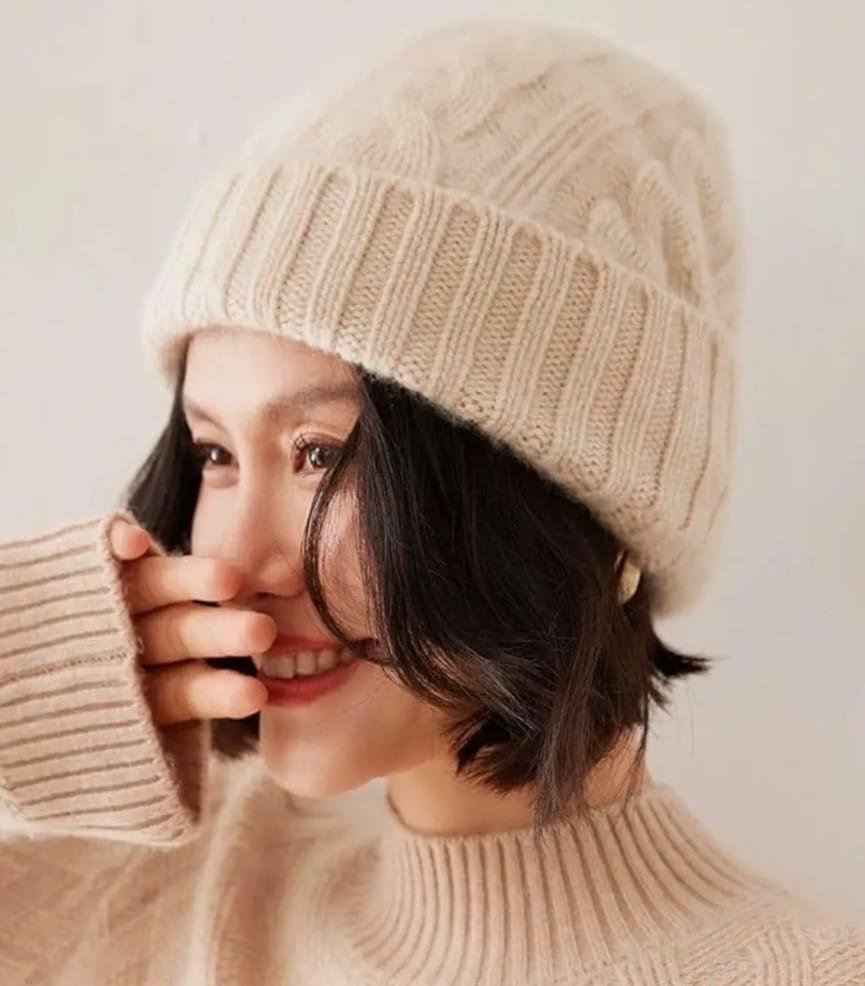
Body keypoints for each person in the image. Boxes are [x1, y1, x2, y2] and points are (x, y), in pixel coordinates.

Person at [1, 17, 863, 986]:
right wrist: (21, 672)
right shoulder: (177, 888)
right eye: (214, 454)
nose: (233, 561)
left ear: (565, 494)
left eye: (320, 455)